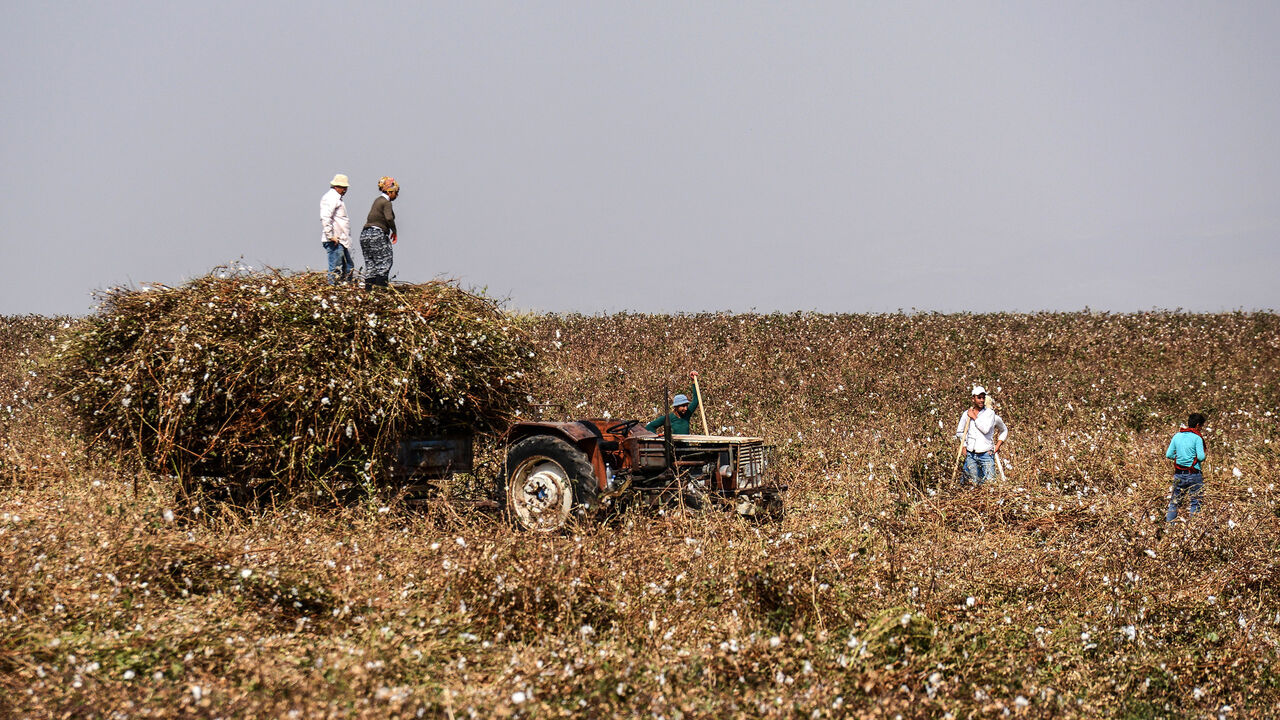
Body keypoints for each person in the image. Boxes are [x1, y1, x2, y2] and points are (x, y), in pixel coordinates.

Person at [955, 385, 1008, 486]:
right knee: (971, 484)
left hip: (986, 454)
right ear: (973, 399)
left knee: (990, 484)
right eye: (979, 397)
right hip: (971, 454)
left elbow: (986, 429)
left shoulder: (990, 414)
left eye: (983, 397)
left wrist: (998, 445)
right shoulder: (966, 414)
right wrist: (964, 445)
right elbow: (960, 432)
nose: (982, 400)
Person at [1165, 413, 1207, 521]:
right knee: (1196, 503)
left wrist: (1179, 458)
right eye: (1201, 426)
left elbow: (1168, 454)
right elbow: (1201, 457)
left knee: (1174, 502)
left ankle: (1169, 529)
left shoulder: (1177, 436)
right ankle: (1193, 530)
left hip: (1179, 474)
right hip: (1194, 475)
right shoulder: (1197, 438)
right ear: (1198, 425)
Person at [360, 176, 399, 289]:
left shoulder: (377, 200)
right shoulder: (386, 202)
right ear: (390, 191)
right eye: (396, 192)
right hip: (377, 234)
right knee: (385, 262)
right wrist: (394, 231)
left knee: (371, 264)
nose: (396, 195)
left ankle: (369, 291)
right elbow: (389, 218)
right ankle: (380, 291)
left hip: (365, 235)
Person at [319, 174, 352, 284]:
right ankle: (333, 290)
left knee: (348, 267)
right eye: (343, 187)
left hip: (341, 239)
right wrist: (330, 236)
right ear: (336, 186)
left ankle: (345, 288)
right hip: (335, 240)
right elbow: (325, 217)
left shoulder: (337, 198)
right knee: (335, 269)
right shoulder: (331, 198)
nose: (345, 190)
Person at [646, 371, 702, 435]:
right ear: (676, 407)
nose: (686, 408)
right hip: (673, 444)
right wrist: (658, 438)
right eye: (683, 406)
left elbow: (696, 400)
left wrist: (694, 382)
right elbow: (649, 427)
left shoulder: (687, 414)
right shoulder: (669, 418)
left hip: (685, 444)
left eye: (686, 406)